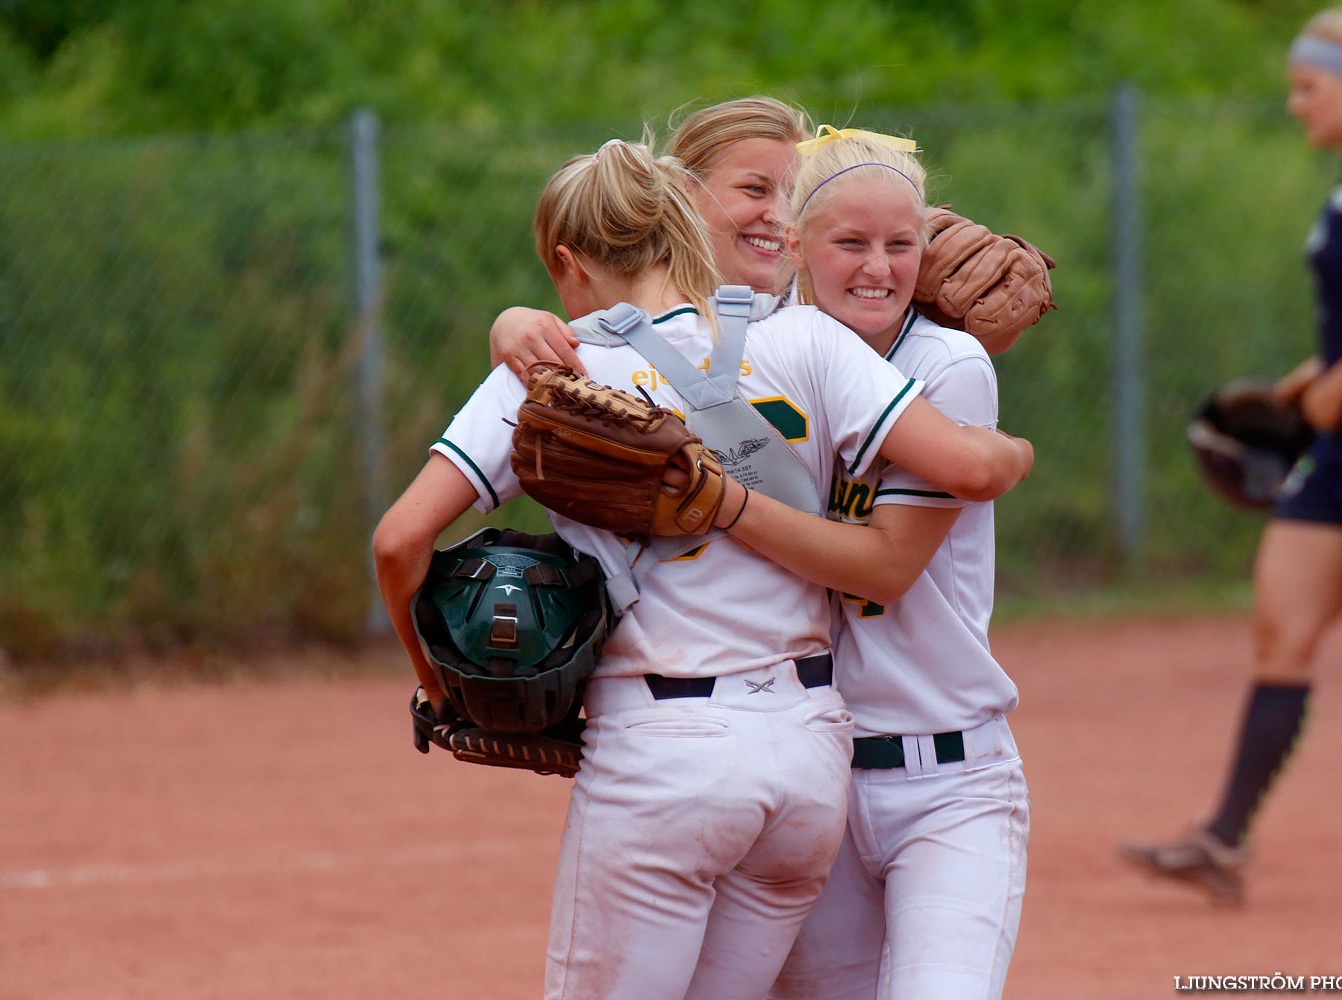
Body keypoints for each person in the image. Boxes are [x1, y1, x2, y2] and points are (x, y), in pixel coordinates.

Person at [372, 137, 1034, 1000]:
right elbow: (969, 467)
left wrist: (440, 684)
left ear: (568, 262)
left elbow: (397, 543)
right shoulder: (805, 336)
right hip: (807, 758)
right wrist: (1015, 445)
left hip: (663, 749)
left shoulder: (555, 369)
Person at [1120, 7, 1342, 907]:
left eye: (1307, 87)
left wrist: (1336, 390)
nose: (1295, 104)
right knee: (1283, 632)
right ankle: (1223, 841)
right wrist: (1304, 386)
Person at [736, 132, 1028, 999]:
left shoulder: (946, 362)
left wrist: (727, 505)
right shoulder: (763, 349)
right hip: (809, 786)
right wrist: (518, 323)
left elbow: (883, 571)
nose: (879, 268)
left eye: (901, 244)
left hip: (949, 784)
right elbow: (633, 313)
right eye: (851, 242)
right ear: (795, 247)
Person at [489, 97, 807, 381]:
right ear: (684, 190)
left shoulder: (818, 323)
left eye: (796, 199)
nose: (781, 217)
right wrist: (512, 325)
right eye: (755, 189)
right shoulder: (625, 322)